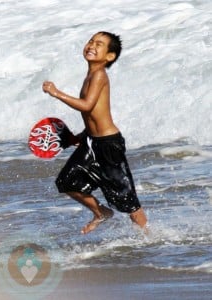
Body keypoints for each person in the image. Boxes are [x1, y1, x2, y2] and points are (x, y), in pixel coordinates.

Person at [42, 31, 148, 234]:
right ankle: (101, 212)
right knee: (67, 181)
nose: (92, 45)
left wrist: (57, 93)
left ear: (110, 56)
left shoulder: (99, 75)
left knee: (127, 200)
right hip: (91, 141)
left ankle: (149, 240)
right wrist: (81, 136)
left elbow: (87, 105)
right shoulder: (90, 74)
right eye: (91, 41)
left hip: (109, 145)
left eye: (99, 44)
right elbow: (95, 114)